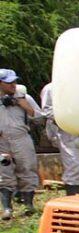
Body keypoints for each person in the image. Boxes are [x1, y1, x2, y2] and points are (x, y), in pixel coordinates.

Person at [0, 69, 43, 219]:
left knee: (27, 168)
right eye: (8, 82)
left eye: (14, 81)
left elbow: (40, 117)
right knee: (4, 172)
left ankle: (28, 205)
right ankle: (7, 209)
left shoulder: (24, 97)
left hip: (21, 139)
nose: (13, 85)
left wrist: (23, 105)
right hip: (2, 143)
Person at [40, 81, 79, 195]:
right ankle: (73, 200)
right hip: (67, 131)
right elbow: (47, 111)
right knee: (75, 166)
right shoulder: (51, 88)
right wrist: (67, 120)